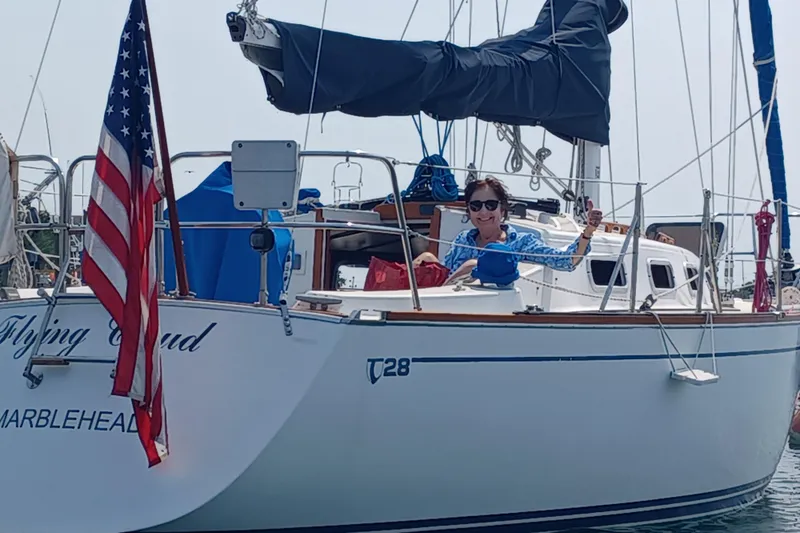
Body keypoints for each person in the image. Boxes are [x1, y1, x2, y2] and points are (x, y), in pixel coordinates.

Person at [413, 175, 602, 284]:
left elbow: (566, 261)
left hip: (492, 310)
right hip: (451, 304)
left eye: (491, 204)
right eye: (476, 206)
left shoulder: (520, 243)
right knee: (427, 259)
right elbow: (446, 273)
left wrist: (588, 232)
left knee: (472, 264)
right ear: (469, 211)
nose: (484, 211)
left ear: (502, 209)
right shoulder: (462, 239)